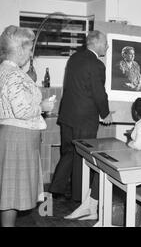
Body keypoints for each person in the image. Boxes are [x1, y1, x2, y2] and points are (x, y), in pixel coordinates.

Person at [0, 25, 56, 227]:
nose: (31, 52)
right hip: (18, 138)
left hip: (13, 135)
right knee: (12, 193)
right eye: (30, 48)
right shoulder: (13, 74)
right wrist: (43, 106)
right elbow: (22, 111)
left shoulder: (6, 70)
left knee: (9, 192)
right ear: (20, 49)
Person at [49, 30, 113, 203]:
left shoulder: (74, 58)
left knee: (68, 152)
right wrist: (105, 114)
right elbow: (99, 93)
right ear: (96, 43)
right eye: (105, 42)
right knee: (82, 156)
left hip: (67, 115)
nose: (107, 46)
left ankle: (56, 189)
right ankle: (79, 196)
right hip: (84, 119)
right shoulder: (97, 65)